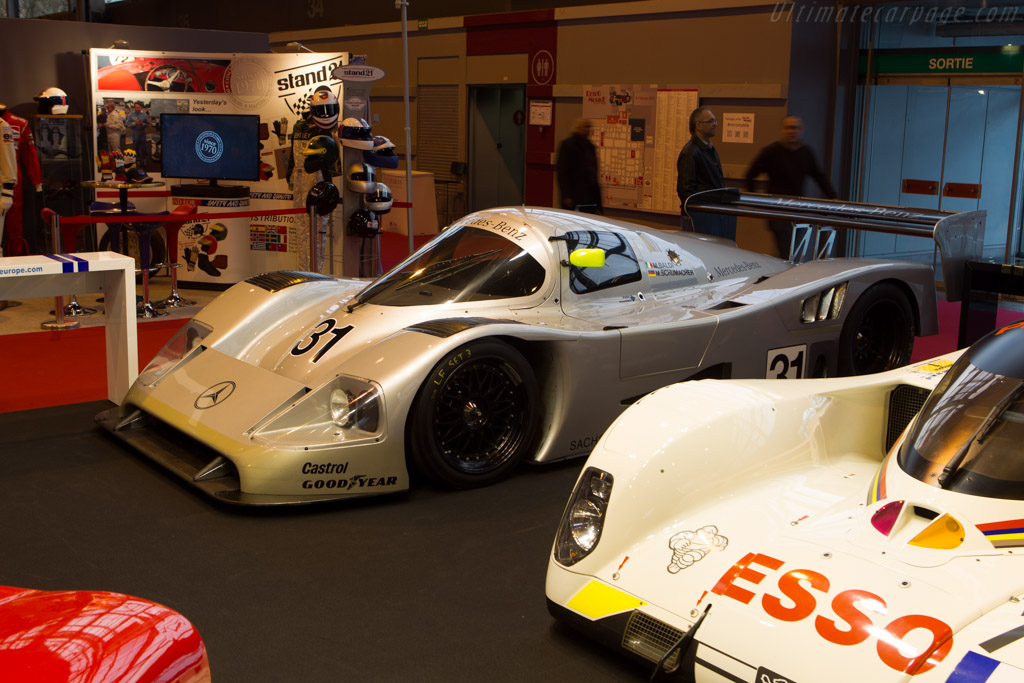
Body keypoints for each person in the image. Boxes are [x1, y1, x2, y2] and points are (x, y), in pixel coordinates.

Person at [745, 115, 837, 258]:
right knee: (786, 250)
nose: (792, 131)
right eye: (789, 127)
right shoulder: (771, 151)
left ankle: (781, 272)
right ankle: (784, 276)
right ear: (783, 130)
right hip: (778, 210)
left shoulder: (805, 152)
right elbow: (750, 174)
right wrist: (754, 199)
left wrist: (832, 196)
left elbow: (819, 176)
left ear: (801, 130)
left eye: (796, 128)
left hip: (797, 209)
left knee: (792, 250)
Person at [676, 106, 735, 240]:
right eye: (711, 121)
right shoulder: (690, 152)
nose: (716, 124)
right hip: (698, 219)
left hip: (711, 214)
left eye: (715, 121)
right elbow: (686, 191)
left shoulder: (709, 149)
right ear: (699, 126)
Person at [556, 118, 602, 214]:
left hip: (589, 195)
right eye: (586, 127)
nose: (588, 130)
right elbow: (562, 172)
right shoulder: (567, 145)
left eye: (589, 127)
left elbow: (593, 171)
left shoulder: (590, 146)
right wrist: (566, 195)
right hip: (574, 194)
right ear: (578, 128)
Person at [125, 102, 149, 166]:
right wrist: (134, 123)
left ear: (140, 108)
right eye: (136, 107)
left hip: (142, 133)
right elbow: (127, 124)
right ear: (134, 108)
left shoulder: (144, 115)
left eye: (139, 107)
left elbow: (147, 124)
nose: (138, 109)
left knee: (144, 147)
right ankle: (137, 159)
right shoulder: (130, 115)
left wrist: (143, 124)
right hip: (135, 133)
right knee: (135, 147)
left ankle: (145, 159)